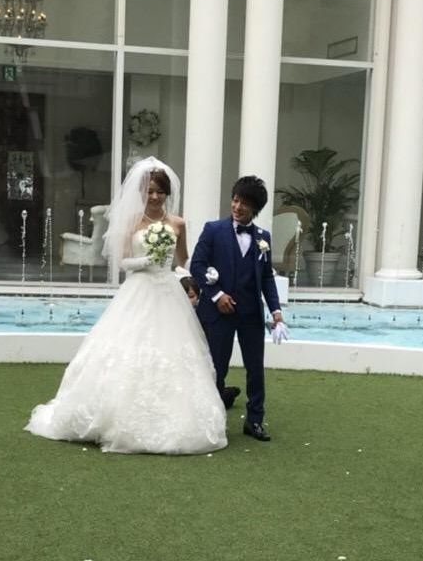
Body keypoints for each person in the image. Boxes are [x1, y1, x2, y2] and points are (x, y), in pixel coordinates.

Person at [25, 158, 226, 455]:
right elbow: (122, 261)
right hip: (139, 289)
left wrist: (190, 278)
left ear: (167, 193)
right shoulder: (132, 221)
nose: (155, 197)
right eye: (150, 191)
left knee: (174, 350)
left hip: (168, 293)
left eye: (160, 192)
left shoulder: (178, 224)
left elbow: (182, 260)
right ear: (142, 192)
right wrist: (147, 260)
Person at [189, 176, 284, 442]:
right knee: (216, 368)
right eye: (235, 200)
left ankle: (254, 420)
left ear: (255, 208)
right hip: (218, 314)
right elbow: (197, 265)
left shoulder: (263, 238)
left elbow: (266, 277)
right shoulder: (213, 230)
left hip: (251, 314)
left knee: (255, 369)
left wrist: (276, 312)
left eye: (245, 203)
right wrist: (216, 295)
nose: (237, 206)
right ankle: (212, 421)